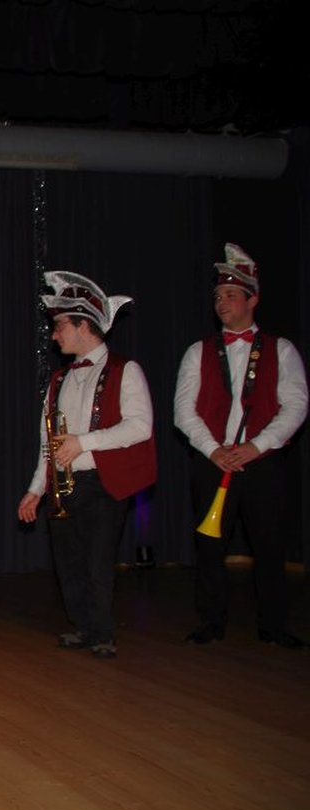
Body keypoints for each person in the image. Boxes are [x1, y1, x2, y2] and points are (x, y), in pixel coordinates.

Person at [174, 243, 308, 649]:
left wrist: (257, 446)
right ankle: (211, 620)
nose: (221, 303)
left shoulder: (281, 349)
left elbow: (296, 405)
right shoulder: (197, 352)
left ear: (253, 299)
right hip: (212, 461)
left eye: (230, 295)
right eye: (217, 296)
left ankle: (274, 624)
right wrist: (213, 449)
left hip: (261, 463)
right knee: (209, 546)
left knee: (269, 545)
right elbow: (183, 411)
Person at [17, 271, 157, 659]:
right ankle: (83, 625)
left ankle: (103, 631)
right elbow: (47, 443)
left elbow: (140, 427)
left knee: (97, 561)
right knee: (69, 562)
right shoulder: (59, 380)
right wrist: (35, 490)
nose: (54, 335)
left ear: (83, 325)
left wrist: (83, 442)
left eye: (60, 325)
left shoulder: (126, 370)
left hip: (103, 480)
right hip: (65, 482)